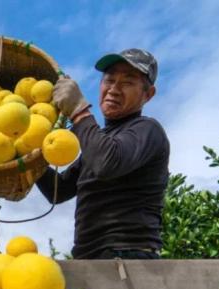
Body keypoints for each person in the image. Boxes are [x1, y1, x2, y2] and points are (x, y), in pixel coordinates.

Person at [36, 48, 170, 260]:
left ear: (148, 94)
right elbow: (58, 191)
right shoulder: (100, 141)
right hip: (90, 258)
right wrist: (28, 158)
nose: (114, 89)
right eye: (109, 79)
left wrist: (79, 111)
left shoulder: (148, 130)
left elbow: (107, 163)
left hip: (129, 258)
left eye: (127, 82)